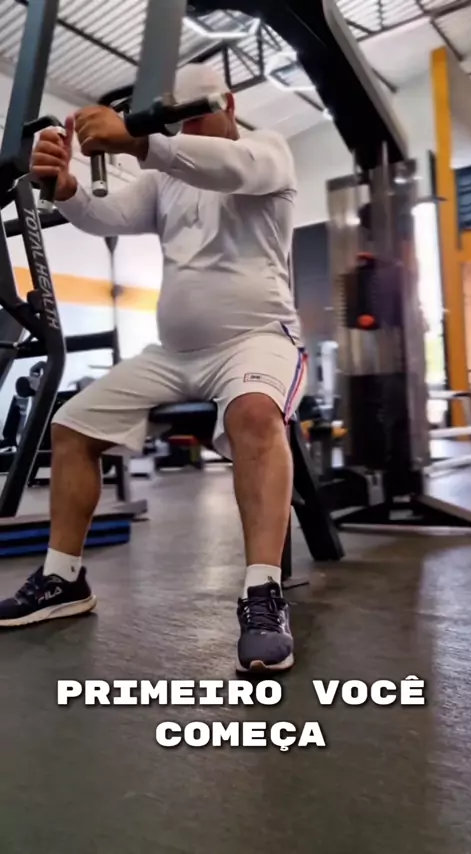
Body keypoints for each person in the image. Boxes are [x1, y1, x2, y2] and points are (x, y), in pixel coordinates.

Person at [0, 64, 306, 672]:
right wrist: (67, 186)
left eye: (193, 115)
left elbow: (229, 168)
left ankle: (263, 594)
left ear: (228, 104)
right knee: (72, 425)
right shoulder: (167, 179)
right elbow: (107, 216)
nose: (184, 128)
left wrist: (140, 142)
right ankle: (64, 579)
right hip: (173, 355)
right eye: (174, 119)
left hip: (256, 341)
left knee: (254, 413)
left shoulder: (267, 150)